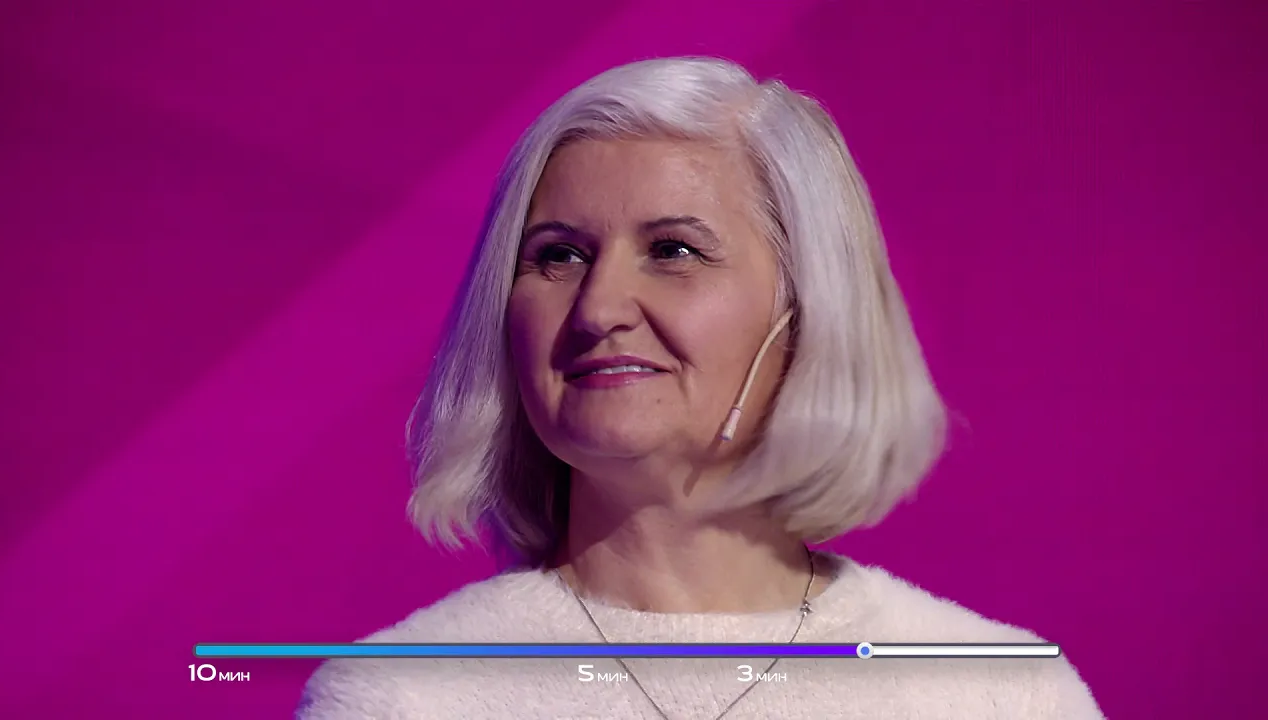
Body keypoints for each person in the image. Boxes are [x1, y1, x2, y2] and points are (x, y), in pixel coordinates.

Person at [298, 56, 1103, 719]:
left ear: (808, 308)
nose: (600, 308)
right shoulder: (400, 698)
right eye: (559, 255)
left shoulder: (1001, 694)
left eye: (673, 251)